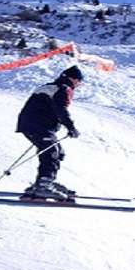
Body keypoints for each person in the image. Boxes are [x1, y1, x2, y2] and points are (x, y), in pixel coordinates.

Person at [16, 65, 83, 200]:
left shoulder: (53, 86)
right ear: (73, 79)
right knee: (51, 152)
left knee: (56, 151)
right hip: (37, 125)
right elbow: (60, 109)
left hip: (33, 124)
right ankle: (43, 186)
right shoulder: (62, 89)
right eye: (79, 81)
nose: (79, 84)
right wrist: (71, 127)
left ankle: (44, 181)